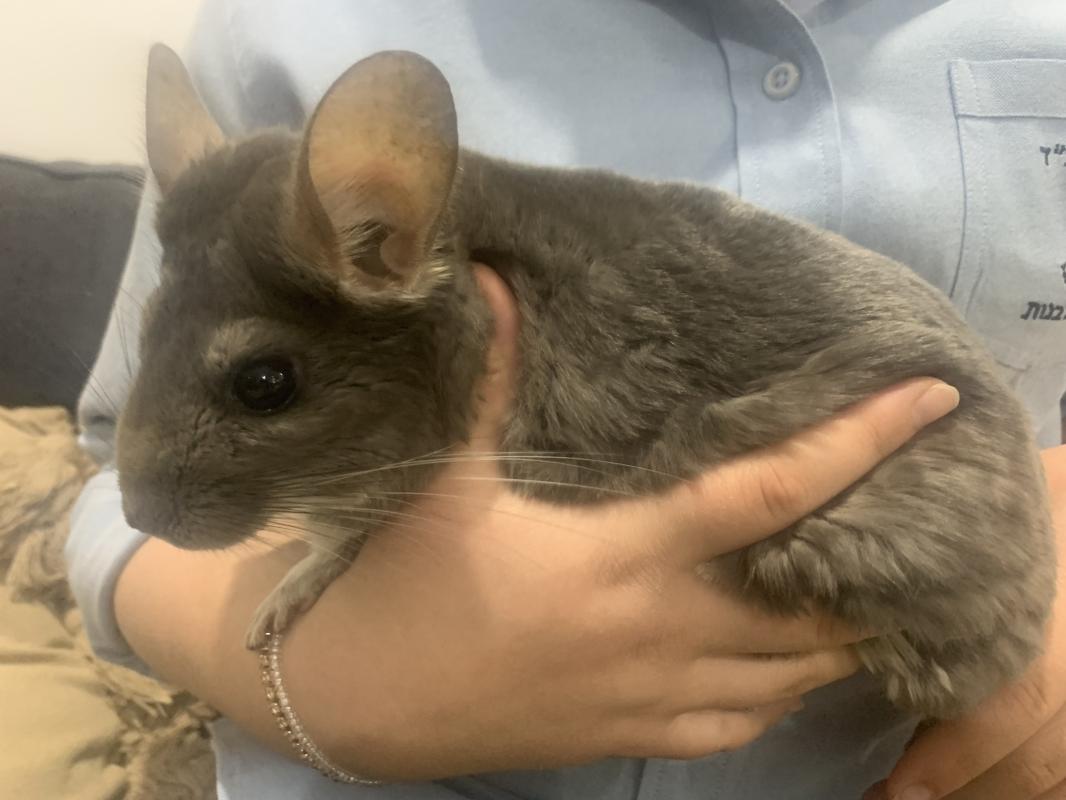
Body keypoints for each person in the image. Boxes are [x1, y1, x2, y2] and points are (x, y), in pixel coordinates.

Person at [68, 1, 1066, 798]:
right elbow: (115, 473)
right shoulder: (284, 23)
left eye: (260, 385)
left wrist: (1015, 590)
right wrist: (315, 686)